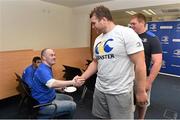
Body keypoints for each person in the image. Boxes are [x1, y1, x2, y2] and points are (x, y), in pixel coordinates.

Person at [75, 5, 147, 119]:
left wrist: (140, 91)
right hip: (100, 89)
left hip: (120, 91)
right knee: (101, 117)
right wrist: (83, 77)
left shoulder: (126, 33)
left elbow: (140, 63)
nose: (93, 27)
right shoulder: (98, 39)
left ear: (103, 19)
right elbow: (95, 62)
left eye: (94, 23)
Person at [31, 48, 84, 119]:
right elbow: (52, 83)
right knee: (73, 105)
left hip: (49, 96)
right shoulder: (42, 70)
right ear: (44, 57)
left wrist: (59, 88)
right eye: (51, 55)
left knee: (69, 98)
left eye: (54, 55)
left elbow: (47, 83)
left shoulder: (45, 67)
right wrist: (73, 82)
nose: (54, 57)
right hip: (43, 105)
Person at [130, 13, 162, 119]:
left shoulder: (152, 38)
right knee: (128, 103)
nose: (131, 26)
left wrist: (148, 82)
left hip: (143, 77)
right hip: (127, 76)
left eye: (134, 23)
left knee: (142, 102)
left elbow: (157, 62)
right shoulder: (130, 37)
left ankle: (140, 118)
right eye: (131, 24)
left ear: (142, 23)